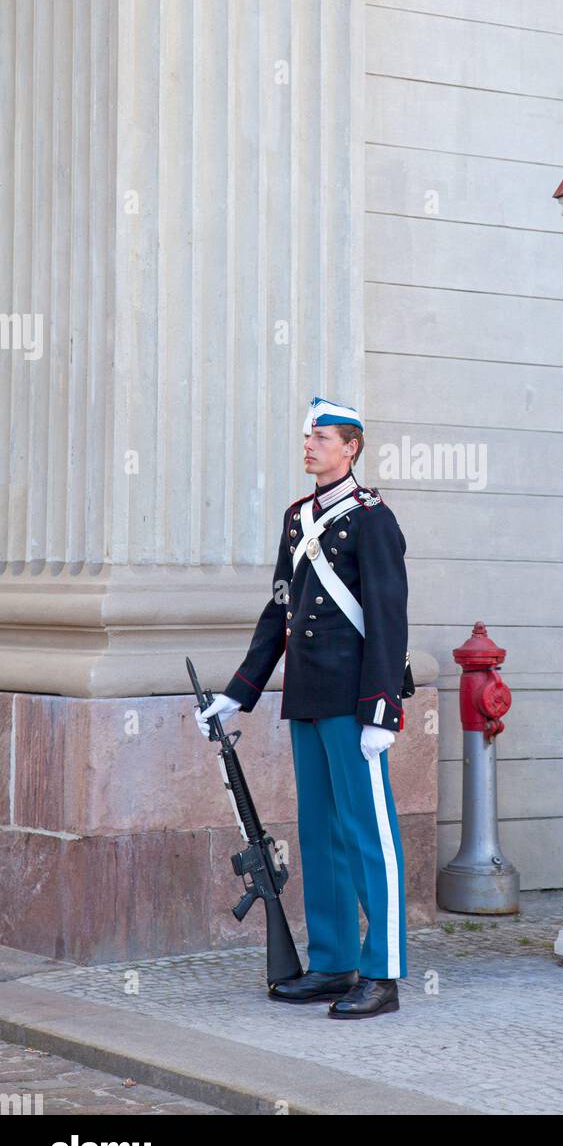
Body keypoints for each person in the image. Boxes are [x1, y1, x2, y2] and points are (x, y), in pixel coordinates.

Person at [195, 396, 409, 1019]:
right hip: (308, 694)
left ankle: (384, 971)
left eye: (322, 436)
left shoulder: (371, 518)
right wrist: (241, 690)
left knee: (372, 837)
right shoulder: (298, 518)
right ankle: (335, 961)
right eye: (308, 435)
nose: (309, 444)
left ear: (351, 449)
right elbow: (280, 610)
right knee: (321, 834)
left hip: (355, 700)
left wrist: (384, 711)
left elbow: (389, 619)